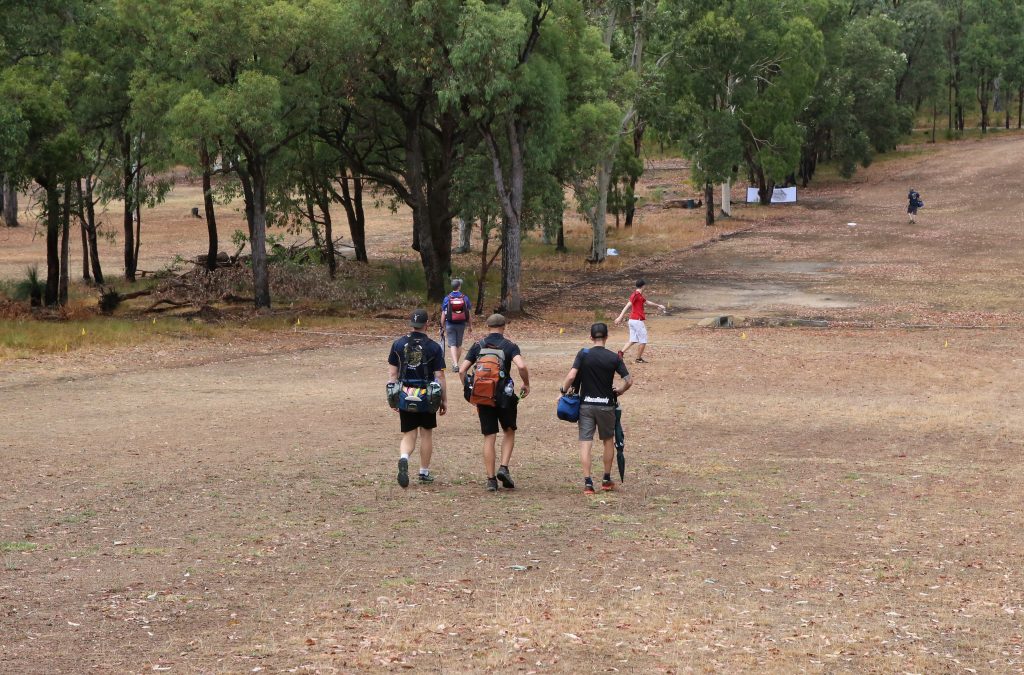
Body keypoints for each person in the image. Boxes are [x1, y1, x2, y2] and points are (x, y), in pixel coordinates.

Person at [459, 313, 530, 492]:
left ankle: (491, 480)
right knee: (509, 430)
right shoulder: (510, 346)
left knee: (489, 437)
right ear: (504, 327)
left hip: (484, 396)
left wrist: (470, 390)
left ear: (487, 326)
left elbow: (462, 370)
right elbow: (521, 366)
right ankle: (504, 467)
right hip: (504, 396)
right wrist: (526, 383)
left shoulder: (478, 346)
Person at [560, 323, 633, 494]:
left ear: (591, 337)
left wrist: (562, 391)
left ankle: (588, 483)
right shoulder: (614, 358)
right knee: (608, 441)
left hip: (586, 405)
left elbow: (571, 376)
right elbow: (629, 380)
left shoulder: (583, 354)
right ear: (607, 337)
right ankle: (606, 479)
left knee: (586, 443)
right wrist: (620, 391)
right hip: (606, 406)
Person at [387, 309, 447, 488]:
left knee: (409, 433)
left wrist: (394, 396)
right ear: (426, 324)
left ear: (411, 325)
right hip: (427, 395)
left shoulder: (398, 344)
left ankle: (404, 458)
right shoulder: (434, 347)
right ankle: (423, 472)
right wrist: (444, 400)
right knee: (426, 433)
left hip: (405, 393)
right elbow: (440, 376)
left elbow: (392, 373)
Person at [614, 279, 666, 363]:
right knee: (643, 340)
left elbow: (647, 302)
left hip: (632, 320)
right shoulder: (635, 295)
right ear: (643, 286)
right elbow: (627, 305)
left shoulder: (640, 295)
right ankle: (638, 358)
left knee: (633, 340)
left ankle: (621, 353)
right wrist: (620, 317)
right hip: (636, 320)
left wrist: (658, 305)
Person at [440, 278, 472, 372]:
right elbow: (468, 314)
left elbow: (443, 314)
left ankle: (455, 364)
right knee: (459, 344)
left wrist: (442, 326)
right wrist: (470, 325)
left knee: (452, 344)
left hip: (450, 324)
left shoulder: (447, 298)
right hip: (461, 324)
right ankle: (456, 363)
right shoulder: (464, 298)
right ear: (459, 286)